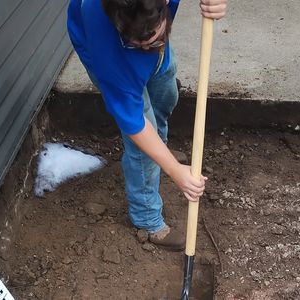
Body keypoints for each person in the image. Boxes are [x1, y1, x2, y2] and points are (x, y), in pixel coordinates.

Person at [66, 0, 227, 250]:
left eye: (153, 41)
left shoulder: (152, 23)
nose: (146, 48)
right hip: (111, 54)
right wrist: (175, 170)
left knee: (166, 96)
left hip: (147, 29)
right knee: (143, 148)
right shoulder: (106, 46)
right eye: (137, 44)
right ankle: (148, 220)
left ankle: (158, 150)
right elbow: (135, 124)